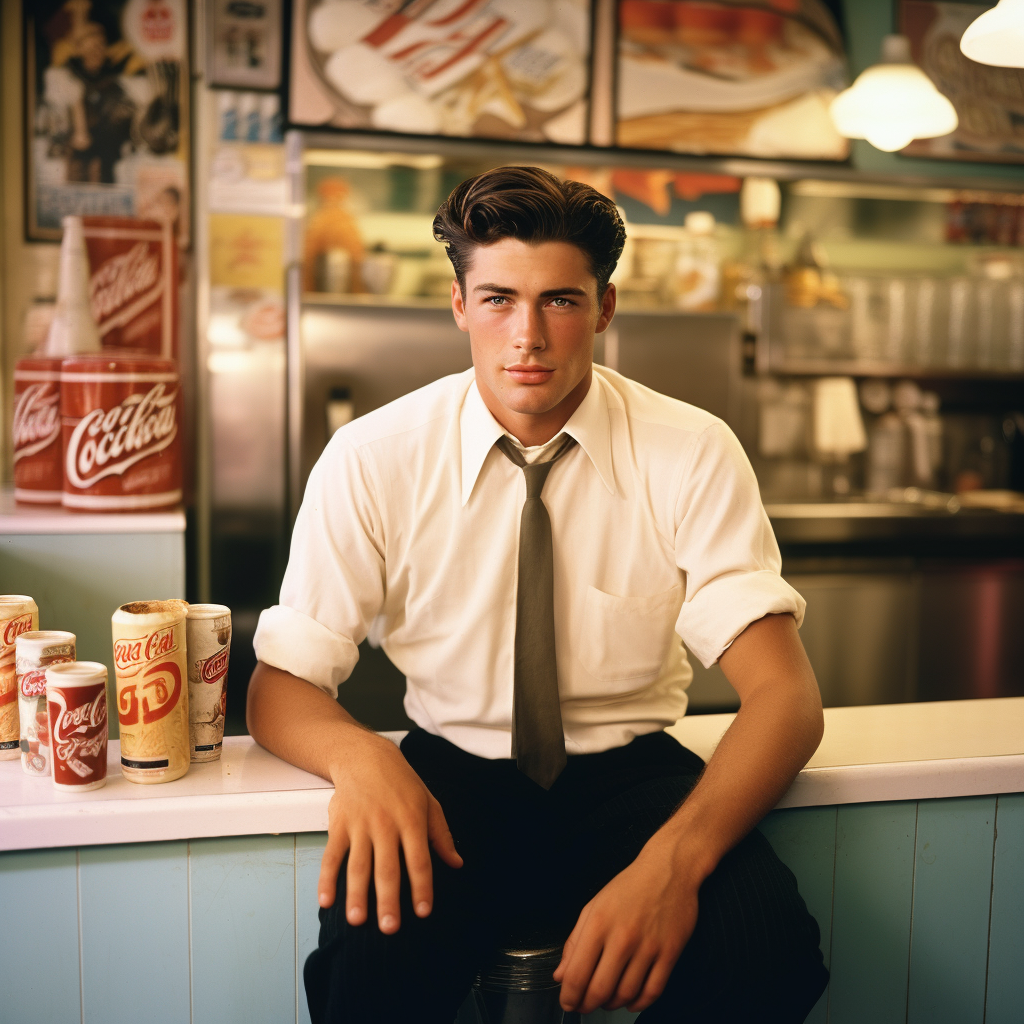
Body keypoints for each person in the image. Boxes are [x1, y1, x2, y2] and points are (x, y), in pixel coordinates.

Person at [247, 166, 829, 1023]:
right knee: (364, 979)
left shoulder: (691, 451)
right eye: (497, 300)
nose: (527, 335)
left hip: (632, 776)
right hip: (450, 776)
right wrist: (363, 758)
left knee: (767, 953)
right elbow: (279, 688)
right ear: (458, 305)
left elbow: (786, 699)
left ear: (604, 309)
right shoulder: (373, 458)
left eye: (559, 300)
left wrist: (671, 865)